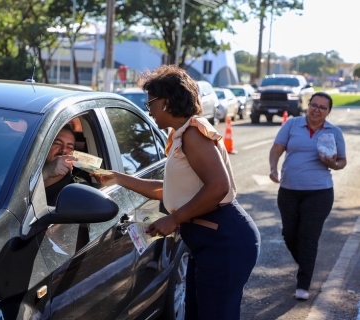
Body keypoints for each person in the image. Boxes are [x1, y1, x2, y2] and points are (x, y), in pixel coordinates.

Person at [92, 65, 260, 319]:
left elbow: (219, 187)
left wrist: (174, 219)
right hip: (209, 240)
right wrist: (118, 178)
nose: (149, 111)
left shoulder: (193, 133)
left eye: (150, 103)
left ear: (166, 102)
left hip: (224, 240)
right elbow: (167, 191)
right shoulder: (182, 134)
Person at [269, 92, 347, 301]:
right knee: (289, 234)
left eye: (322, 107)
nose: (317, 110)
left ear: (329, 112)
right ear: (308, 106)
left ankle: (303, 283)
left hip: (319, 192)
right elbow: (276, 149)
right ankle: (307, 263)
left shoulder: (334, 132)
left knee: (308, 236)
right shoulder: (292, 125)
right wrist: (273, 168)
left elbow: (342, 162)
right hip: (289, 191)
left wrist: (332, 164)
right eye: (314, 105)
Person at [43, 124, 88, 206]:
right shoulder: (23, 172)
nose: (63, 150)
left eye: (70, 147)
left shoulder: (78, 188)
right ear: (45, 146)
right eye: (57, 143)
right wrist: (45, 172)